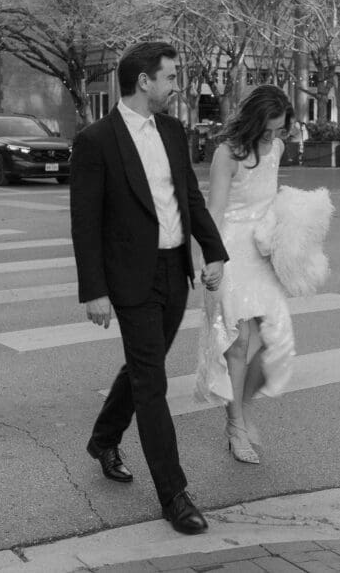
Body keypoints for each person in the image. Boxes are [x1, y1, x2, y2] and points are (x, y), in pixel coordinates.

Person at [70, 41, 229, 536]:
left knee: (145, 368)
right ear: (145, 81)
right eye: (171, 76)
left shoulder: (173, 131)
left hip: (174, 272)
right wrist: (93, 291)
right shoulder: (97, 141)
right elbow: (85, 222)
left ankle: (103, 438)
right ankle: (174, 495)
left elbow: (190, 196)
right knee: (152, 383)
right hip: (130, 278)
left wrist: (215, 250)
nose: (177, 84)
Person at [195, 85, 296, 465]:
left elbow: (273, 198)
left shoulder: (278, 149)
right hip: (232, 250)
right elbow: (214, 210)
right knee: (238, 342)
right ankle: (235, 426)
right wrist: (210, 259)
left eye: (279, 131)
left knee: (273, 340)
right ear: (253, 121)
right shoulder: (228, 153)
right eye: (267, 131)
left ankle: (242, 406)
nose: (273, 138)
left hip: (263, 250)